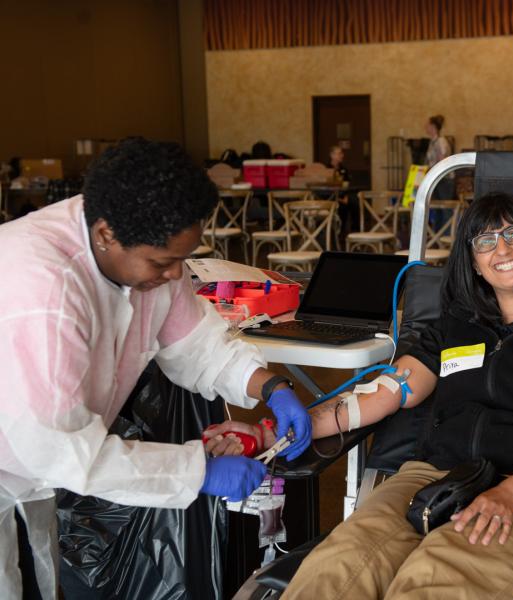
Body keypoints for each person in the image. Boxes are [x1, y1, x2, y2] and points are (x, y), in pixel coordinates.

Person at [209, 192, 513, 599]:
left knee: (436, 572)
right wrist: (274, 433)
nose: (502, 248)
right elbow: (381, 396)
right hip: (434, 477)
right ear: (475, 264)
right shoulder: (455, 327)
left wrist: (509, 492)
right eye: (485, 240)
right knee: (339, 561)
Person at [0, 137, 312, 599]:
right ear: (105, 234)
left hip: (30, 471)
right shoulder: (44, 293)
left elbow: (198, 344)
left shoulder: (143, 249)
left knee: (32, 577)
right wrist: (196, 472)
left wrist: (270, 385)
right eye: (163, 262)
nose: (174, 275)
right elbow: (62, 450)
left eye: (181, 260)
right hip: (27, 452)